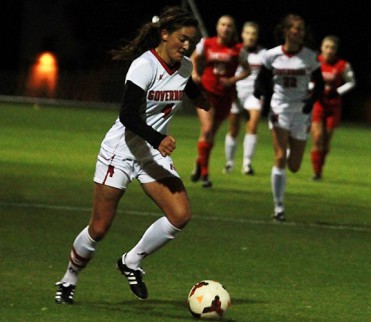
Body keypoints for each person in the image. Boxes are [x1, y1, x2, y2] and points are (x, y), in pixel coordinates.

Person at [54, 6, 210, 304]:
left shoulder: (185, 66)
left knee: (180, 215)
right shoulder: (144, 66)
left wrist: (199, 97)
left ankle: (131, 261)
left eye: (192, 41)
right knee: (99, 228)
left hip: (151, 153)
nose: (187, 46)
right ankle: (68, 279)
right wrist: (158, 138)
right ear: (164, 34)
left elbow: (185, 84)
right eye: (182, 39)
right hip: (121, 150)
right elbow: (127, 115)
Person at [254, 14, 324, 222]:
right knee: (279, 157)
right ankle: (279, 207)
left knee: (294, 165)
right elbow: (262, 80)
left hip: (301, 112)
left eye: (302, 29)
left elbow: (319, 84)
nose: (300, 33)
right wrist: (260, 94)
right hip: (280, 108)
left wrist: (311, 102)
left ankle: (288, 150)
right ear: (286, 32)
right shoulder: (271, 55)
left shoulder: (310, 57)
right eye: (296, 29)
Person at [190, 15, 251, 187]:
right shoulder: (207, 43)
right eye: (223, 24)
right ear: (217, 27)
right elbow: (194, 57)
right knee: (207, 129)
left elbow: (247, 70)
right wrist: (195, 73)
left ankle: (199, 161)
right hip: (206, 92)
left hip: (225, 96)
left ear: (233, 29)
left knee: (210, 135)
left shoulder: (238, 48)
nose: (226, 28)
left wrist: (232, 80)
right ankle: (205, 174)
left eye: (229, 25)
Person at [310, 35, 356, 180]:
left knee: (326, 142)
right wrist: (315, 89)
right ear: (321, 48)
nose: (329, 50)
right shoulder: (314, 62)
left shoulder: (342, 65)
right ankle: (316, 173)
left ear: (336, 50)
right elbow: (306, 80)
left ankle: (320, 168)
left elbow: (351, 81)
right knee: (317, 138)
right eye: (327, 47)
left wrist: (337, 92)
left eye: (332, 48)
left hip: (333, 106)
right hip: (318, 104)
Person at [223, 21, 266, 175]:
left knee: (252, 125)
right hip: (236, 93)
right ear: (242, 35)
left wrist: (263, 92)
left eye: (253, 33)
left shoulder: (263, 54)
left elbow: (266, 76)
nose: (250, 37)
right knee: (233, 129)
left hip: (254, 95)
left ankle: (247, 164)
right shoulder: (236, 51)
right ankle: (229, 162)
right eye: (247, 33)